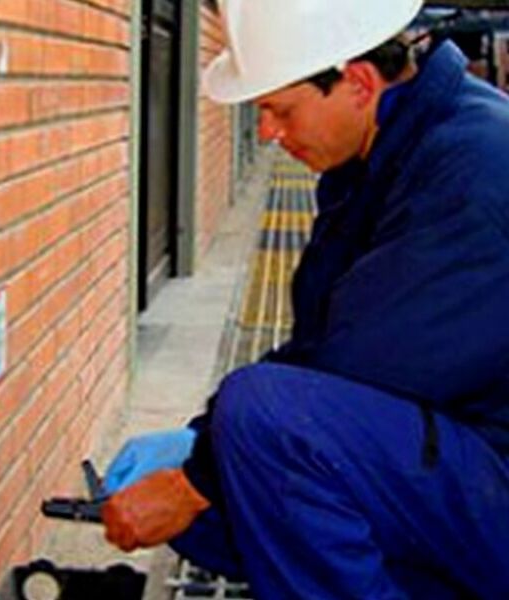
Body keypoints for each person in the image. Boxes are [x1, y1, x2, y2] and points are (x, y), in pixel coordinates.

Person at [100, 0, 509, 598]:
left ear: (359, 83)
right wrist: (201, 445)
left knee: (256, 431)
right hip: (467, 454)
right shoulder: (380, 157)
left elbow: (361, 367)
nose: (267, 132)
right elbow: (325, 341)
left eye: (280, 109)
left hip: (494, 478)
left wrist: (194, 478)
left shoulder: (473, 171)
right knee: (223, 500)